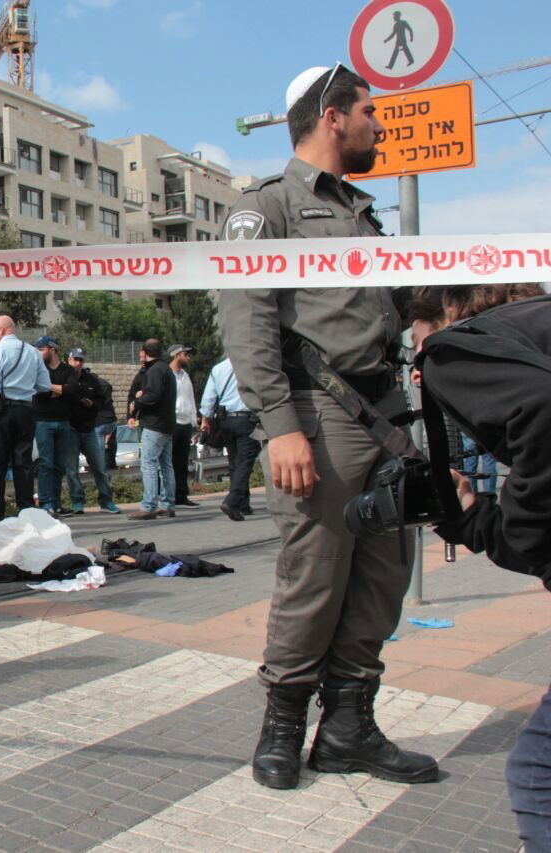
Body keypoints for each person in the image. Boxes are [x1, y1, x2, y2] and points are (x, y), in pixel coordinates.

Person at [217, 64, 436, 789]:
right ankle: (281, 725)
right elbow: (247, 320)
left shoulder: (364, 213)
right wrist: (280, 424)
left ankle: (347, 728)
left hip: (384, 416)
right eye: (370, 111)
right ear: (333, 115)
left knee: (383, 578)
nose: (380, 125)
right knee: (313, 577)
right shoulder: (266, 207)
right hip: (321, 415)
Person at [413, 285, 550, 850]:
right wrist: (471, 516)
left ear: (448, 312)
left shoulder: (461, 346)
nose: (420, 367)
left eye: (416, 344)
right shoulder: (536, 331)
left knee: (538, 773)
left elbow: (544, 409)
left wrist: (531, 534)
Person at [0, 316, 50, 526]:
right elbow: (44, 384)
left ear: (3, 330)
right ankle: (26, 515)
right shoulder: (33, 352)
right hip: (26, 412)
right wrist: (24, 386)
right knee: (23, 464)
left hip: (0, 412)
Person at [200, 358, 260, 522]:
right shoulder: (252, 364)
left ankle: (243, 503)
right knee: (245, 462)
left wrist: (205, 419)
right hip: (248, 419)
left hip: (225, 420)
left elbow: (209, 397)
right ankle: (232, 501)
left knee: (234, 462)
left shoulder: (218, 368)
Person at [65, 348, 120, 514]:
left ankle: (106, 500)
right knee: (72, 470)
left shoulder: (92, 380)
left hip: (89, 429)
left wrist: (93, 404)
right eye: (75, 359)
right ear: (68, 360)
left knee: (100, 467)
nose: (78, 363)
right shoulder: (64, 377)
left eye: (80, 360)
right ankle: (77, 502)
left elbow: (103, 400)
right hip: (71, 429)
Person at [129, 338, 176, 520]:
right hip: (167, 424)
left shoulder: (154, 370)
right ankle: (167, 504)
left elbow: (154, 396)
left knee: (148, 464)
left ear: (144, 352)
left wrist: (137, 403)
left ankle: (148, 506)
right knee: (166, 465)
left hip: (154, 424)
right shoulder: (166, 369)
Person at [32, 335, 77, 515]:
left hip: (63, 422)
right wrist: (61, 390)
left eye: (41, 350)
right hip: (43, 422)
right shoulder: (38, 369)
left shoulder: (68, 369)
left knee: (59, 465)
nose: (38, 353)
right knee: (46, 463)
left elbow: (72, 390)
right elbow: (38, 393)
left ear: (52, 349)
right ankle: (46, 503)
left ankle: (56, 503)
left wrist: (50, 387)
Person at [169, 344, 199, 507]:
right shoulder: (167, 374)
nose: (189, 357)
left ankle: (182, 495)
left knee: (182, 462)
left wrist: (194, 420)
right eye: (186, 354)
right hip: (172, 422)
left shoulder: (185, 376)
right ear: (177, 355)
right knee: (169, 462)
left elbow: (190, 399)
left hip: (186, 423)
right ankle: (168, 495)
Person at [95, 374, 118, 470]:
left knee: (99, 447)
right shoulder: (106, 387)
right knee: (110, 442)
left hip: (101, 422)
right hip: (112, 421)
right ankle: (111, 464)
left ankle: (101, 467)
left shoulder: (96, 389)